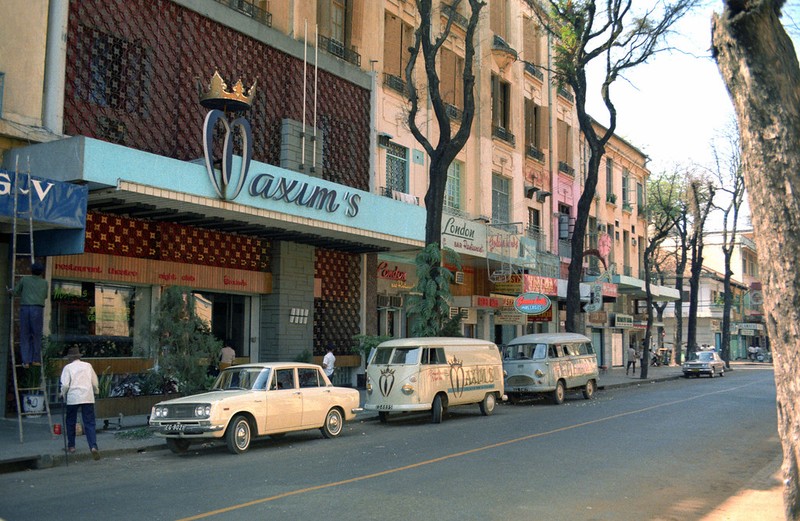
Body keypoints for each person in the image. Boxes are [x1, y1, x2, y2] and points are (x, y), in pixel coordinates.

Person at [60, 346, 100, 460]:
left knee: (70, 421)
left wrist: (62, 393)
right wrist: (96, 391)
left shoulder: (68, 368)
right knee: (89, 422)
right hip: (87, 396)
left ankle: (71, 446)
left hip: (73, 398)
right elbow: (94, 382)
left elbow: (65, 385)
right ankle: (93, 446)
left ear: (69, 358)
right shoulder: (88, 366)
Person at [9, 262, 48, 368]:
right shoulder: (44, 283)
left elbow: (15, 292)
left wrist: (10, 291)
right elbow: (45, 296)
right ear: (41, 272)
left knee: (25, 335)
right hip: (38, 309)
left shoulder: (24, 279)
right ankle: (35, 360)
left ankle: (26, 361)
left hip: (25, 308)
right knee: (36, 335)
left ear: (31, 270)